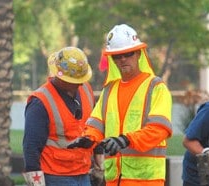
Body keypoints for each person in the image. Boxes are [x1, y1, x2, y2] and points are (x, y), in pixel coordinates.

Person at [68, 24, 173, 186]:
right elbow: (96, 124)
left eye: (127, 54)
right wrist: (89, 139)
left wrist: (125, 140)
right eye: (117, 56)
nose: (122, 59)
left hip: (146, 179)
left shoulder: (155, 87)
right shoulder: (109, 90)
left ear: (138, 53)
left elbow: (159, 130)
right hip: (114, 179)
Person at [22, 46, 95, 186]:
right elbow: (31, 146)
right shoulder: (40, 102)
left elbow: (94, 127)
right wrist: (35, 181)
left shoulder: (86, 89)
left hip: (83, 173)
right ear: (59, 76)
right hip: (55, 176)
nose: (79, 83)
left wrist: (99, 164)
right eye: (74, 81)